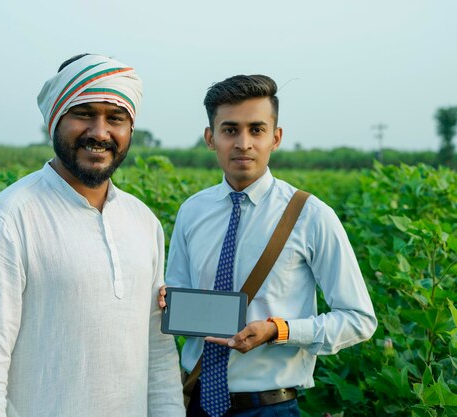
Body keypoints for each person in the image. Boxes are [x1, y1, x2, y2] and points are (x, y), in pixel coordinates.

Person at [0, 53, 185, 417]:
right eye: (83, 114)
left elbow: (157, 352)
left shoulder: (143, 221)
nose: (99, 132)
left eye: (115, 118)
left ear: (129, 130)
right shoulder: (11, 217)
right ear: (55, 121)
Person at [160, 74, 377, 417]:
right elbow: (177, 293)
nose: (243, 143)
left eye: (256, 130)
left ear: (275, 138)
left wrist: (280, 330)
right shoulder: (192, 211)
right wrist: (167, 300)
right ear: (210, 138)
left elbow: (358, 319)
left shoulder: (311, 215)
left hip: (269, 407)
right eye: (230, 130)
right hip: (195, 399)